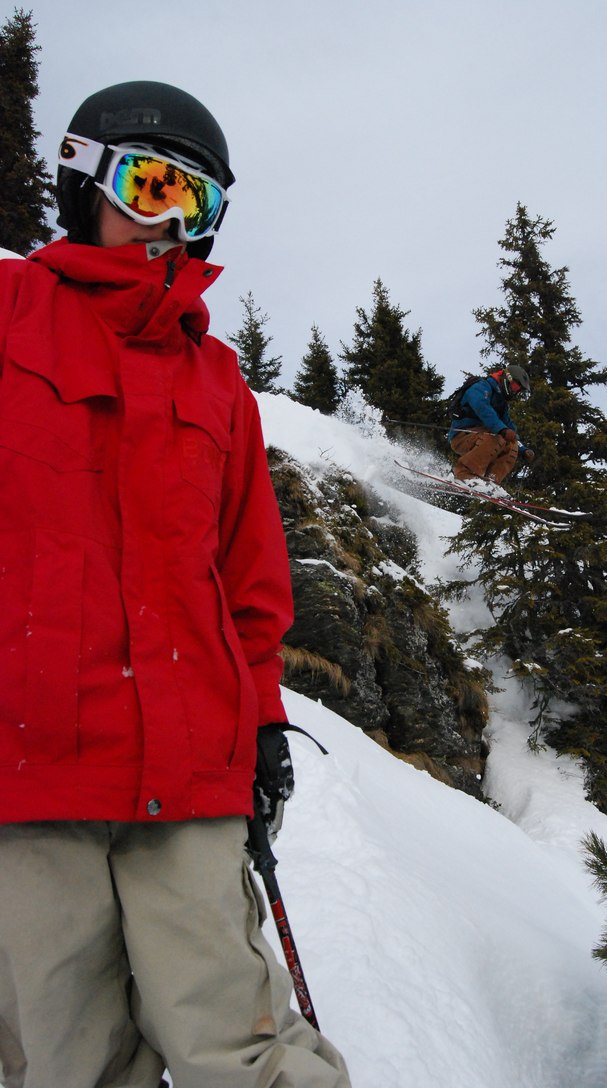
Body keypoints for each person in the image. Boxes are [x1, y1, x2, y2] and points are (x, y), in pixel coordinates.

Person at [0, 81, 351, 1088]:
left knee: (235, 1047)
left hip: (184, 772)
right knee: (64, 1058)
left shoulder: (218, 385)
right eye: (145, 184)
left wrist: (261, 725)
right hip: (29, 774)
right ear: (83, 179)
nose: (164, 219)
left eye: (190, 202)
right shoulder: (8, 315)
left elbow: (248, 587)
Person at [447, 365, 535, 489]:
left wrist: (523, 449)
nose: (515, 392)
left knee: (511, 446)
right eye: (515, 387)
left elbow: (509, 428)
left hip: (481, 437)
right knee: (496, 438)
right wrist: (502, 430)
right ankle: (463, 475)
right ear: (507, 379)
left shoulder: (501, 403)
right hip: (461, 436)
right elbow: (483, 409)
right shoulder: (480, 387)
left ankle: (490, 483)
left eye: (518, 390)